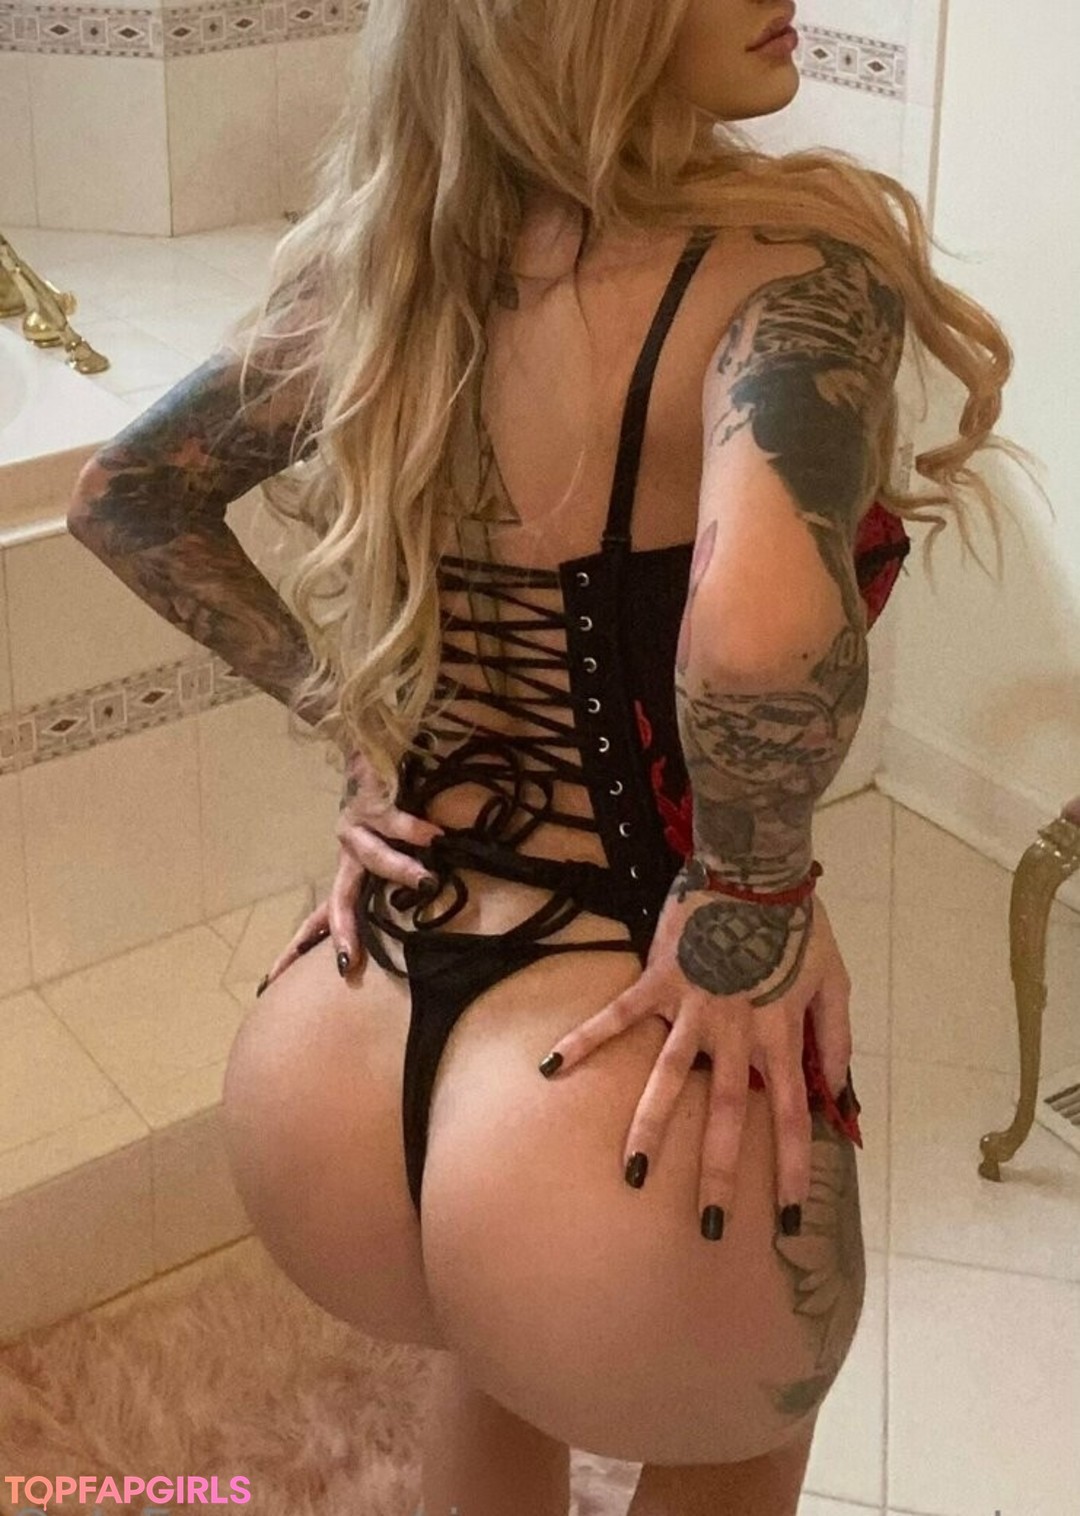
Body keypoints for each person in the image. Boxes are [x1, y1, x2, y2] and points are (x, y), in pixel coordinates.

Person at [67, 2, 1037, 1511]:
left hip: (340, 1045)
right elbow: (757, 630)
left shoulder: (393, 262)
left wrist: (358, 728)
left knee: (494, 1363)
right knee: (732, 1438)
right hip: (610, 1076)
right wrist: (753, 899)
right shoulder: (790, 274)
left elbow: (130, 497)